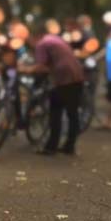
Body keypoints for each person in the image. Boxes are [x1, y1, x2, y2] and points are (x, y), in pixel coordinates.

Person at [20, 19, 84, 155]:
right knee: (73, 114)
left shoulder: (42, 44)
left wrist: (26, 69)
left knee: (55, 112)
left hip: (63, 80)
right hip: (77, 76)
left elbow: (42, 66)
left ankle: (51, 147)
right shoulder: (55, 39)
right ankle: (69, 146)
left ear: (34, 36)